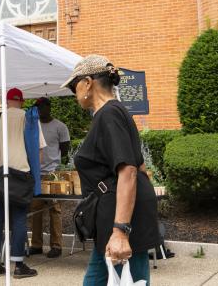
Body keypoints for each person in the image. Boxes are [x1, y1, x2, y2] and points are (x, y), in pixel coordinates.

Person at [61, 55, 159, 286]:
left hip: (122, 217)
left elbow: (129, 171)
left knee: (131, 280)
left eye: (74, 86)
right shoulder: (111, 113)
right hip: (115, 213)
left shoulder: (109, 114)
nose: (74, 93)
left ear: (88, 83)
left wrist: (121, 231)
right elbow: (140, 165)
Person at [0, 88, 46, 279]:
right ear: (22, 101)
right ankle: (18, 265)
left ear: (6, 101)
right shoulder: (29, 118)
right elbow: (39, 151)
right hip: (22, 175)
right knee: (18, 219)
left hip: (0, 176)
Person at [29, 97, 70, 258]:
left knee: (55, 209)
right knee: (35, 210)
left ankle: (56, 246)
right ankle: (36, 245)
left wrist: (54, 160)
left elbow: (65, 149)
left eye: (41, 107)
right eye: (37, 108)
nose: (39, 110)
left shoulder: (60, 126)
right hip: (36, 174)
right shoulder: (33, 126)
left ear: (48, 107)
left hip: (52, 173)